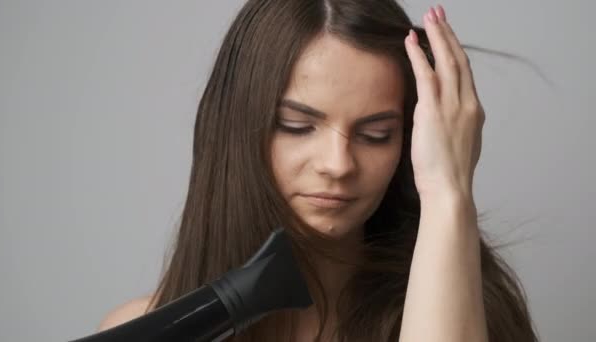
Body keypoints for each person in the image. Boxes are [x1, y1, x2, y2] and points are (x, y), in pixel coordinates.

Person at [98, 1, 539, 341]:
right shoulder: (146, 329)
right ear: (238, 131)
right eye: (298, 126)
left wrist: (448, 191)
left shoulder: (476, 319)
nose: (338, 164)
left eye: (377, 134)